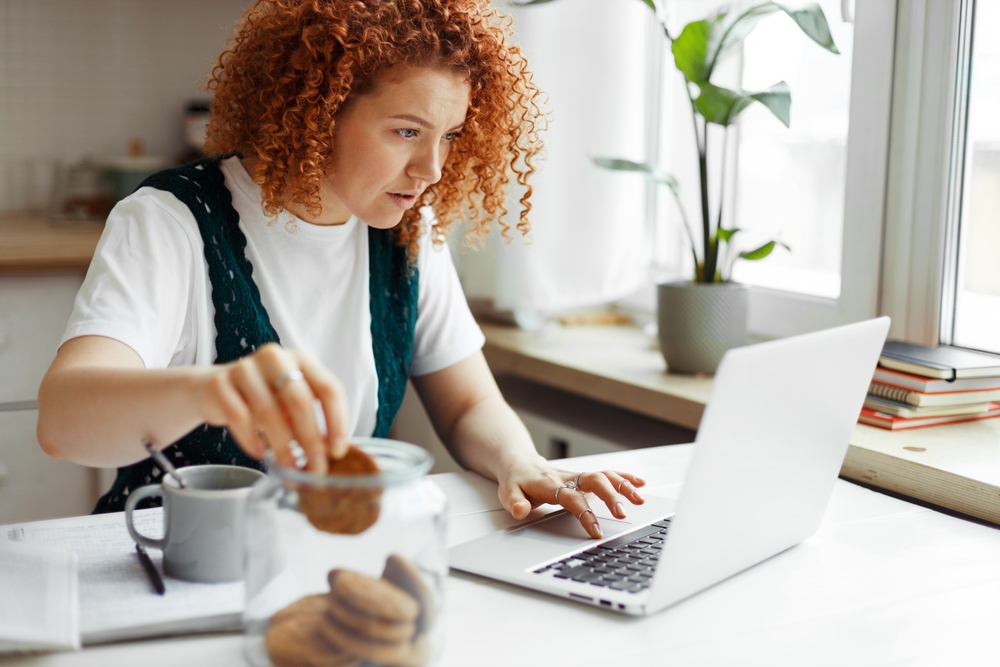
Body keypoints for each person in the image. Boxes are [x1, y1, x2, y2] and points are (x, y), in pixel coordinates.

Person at [37, 0, 645, 538]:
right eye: (407, 131)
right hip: (174, 561)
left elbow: (466, 408)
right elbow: (65, 423)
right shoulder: (171, 221)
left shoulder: (409, 232)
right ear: (315, 111)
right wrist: (215, 390)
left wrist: (522, 461)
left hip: (322, 553)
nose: (432, 168)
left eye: (451, 135)